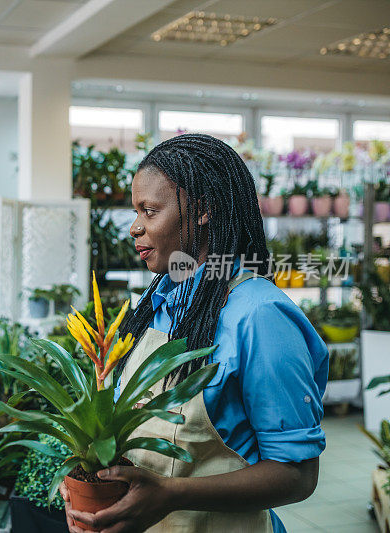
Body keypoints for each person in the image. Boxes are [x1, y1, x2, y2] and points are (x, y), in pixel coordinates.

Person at [60, 133, 329, 533]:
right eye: (135, 212)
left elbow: (297, 475)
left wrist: (171, 494)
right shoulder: (156, 304)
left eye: (149, 211)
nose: (135, 227)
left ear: (201, 210)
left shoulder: (259, 315)